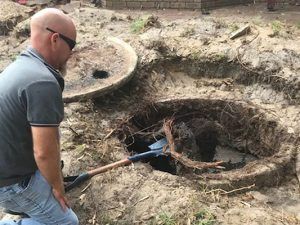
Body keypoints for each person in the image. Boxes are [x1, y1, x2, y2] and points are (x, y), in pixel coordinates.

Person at [0, 8, 78, 225]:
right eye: (71, 45)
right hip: (10, 183)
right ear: (55, 39)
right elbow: (43, 152)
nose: (71, 53)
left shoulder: (21, 66)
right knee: (67, 222)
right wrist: (57, 186)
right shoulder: (42, 82)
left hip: (9, 167)